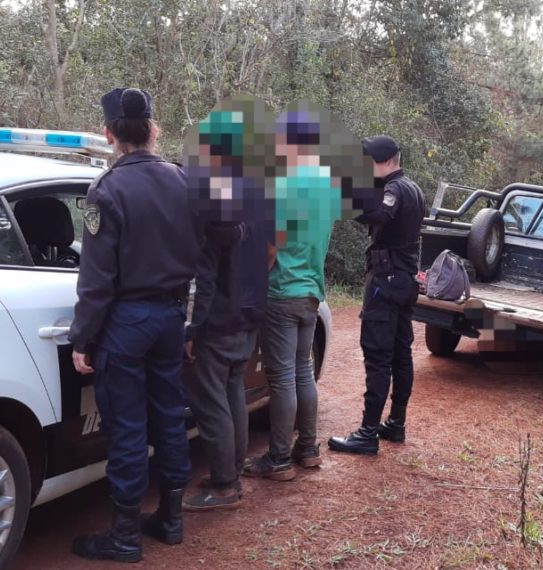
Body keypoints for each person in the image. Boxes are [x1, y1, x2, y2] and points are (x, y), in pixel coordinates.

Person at [68, 87, 202, 563]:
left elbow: (96, 278)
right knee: (168, 417)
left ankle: (124, 538)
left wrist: (82, 338)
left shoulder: (106, 191)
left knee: (127, 428)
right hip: (169, 317)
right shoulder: (185, 181)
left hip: (126, 322)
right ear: (153, 130)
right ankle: (170, 519)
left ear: (109, 134)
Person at [243, 111, 334, 480]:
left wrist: (252, 283)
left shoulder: (285, 185)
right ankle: (307, 448)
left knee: (281, 378)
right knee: (302, 371)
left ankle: (278, 458)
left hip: (282, 290)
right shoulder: (326, 187)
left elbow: (270, 246)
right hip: (312, 290)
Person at [329, 135, 426, 455]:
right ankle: (395, 423)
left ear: (384, 161)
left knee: (378, 357)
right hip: (405, 280)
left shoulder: (395, 190)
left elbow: (380, 216)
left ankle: (368, 433)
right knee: (400, 355)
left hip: (386, 282)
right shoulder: (413, 188)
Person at [180, 216, 269, 510]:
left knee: (212, 404)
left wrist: (190, 328)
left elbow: (200, 277)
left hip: (216, 324)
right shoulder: (258, 204)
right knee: (233, 398)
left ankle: (223, 486)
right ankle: (232, 474)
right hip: (247, 318)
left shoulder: (212, 212)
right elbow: (270, 252)